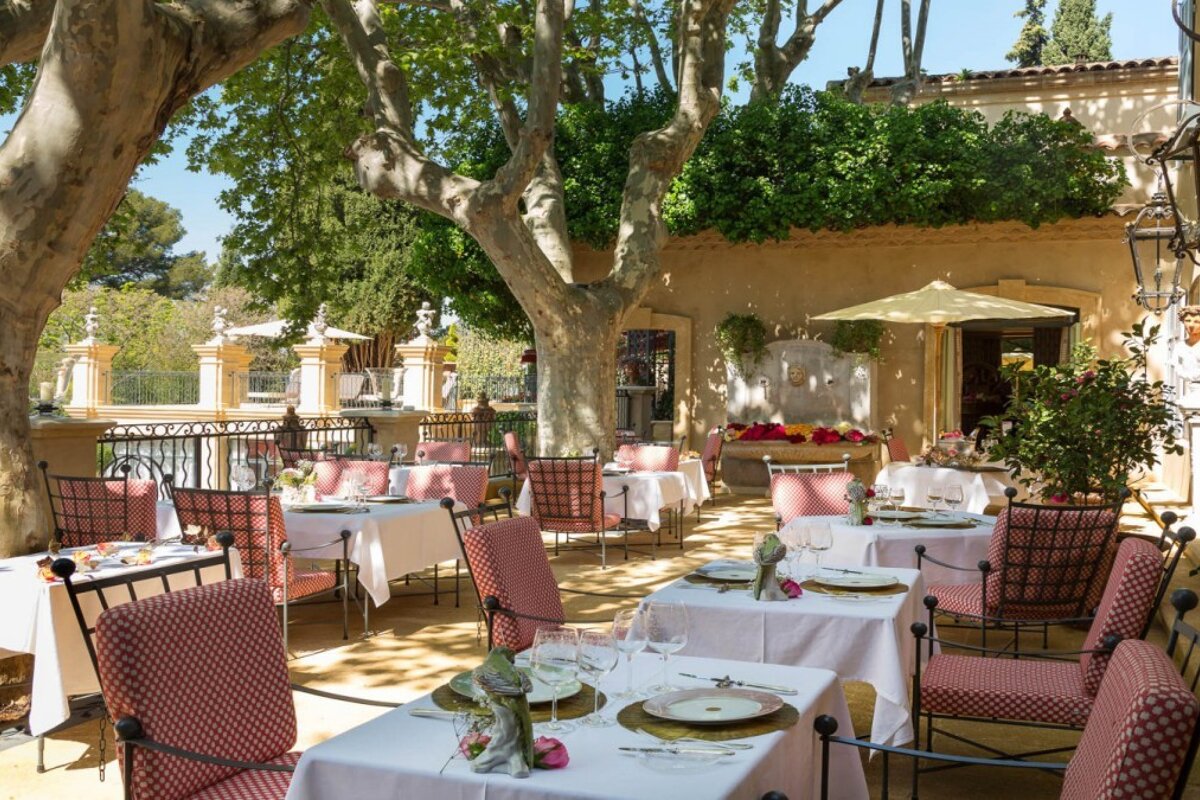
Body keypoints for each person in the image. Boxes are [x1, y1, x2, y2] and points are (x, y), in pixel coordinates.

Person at [1178, 306, 1200, 390]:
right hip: (1191, 390)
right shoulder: (1179, 347)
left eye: (1196, 321)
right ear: (1183, 322)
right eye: (1188, 321)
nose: (1191, 325)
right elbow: (1179, 369)